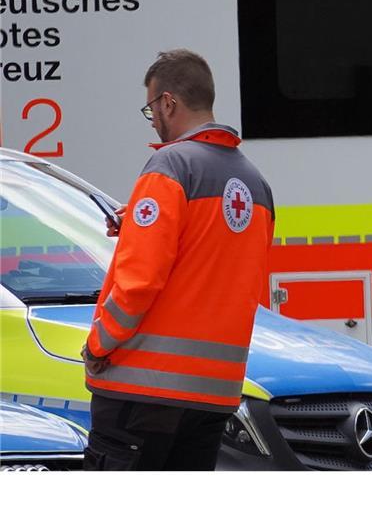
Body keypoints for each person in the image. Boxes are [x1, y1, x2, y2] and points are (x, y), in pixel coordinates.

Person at [81, 49, 275, 470]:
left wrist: (99, 343)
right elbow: (236, 277)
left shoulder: (169, 166)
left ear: (168, 102)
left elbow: (139, 282)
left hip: (141, 390)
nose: (153, 120)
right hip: (215, 396)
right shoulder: (255, 184)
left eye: (151, 110)